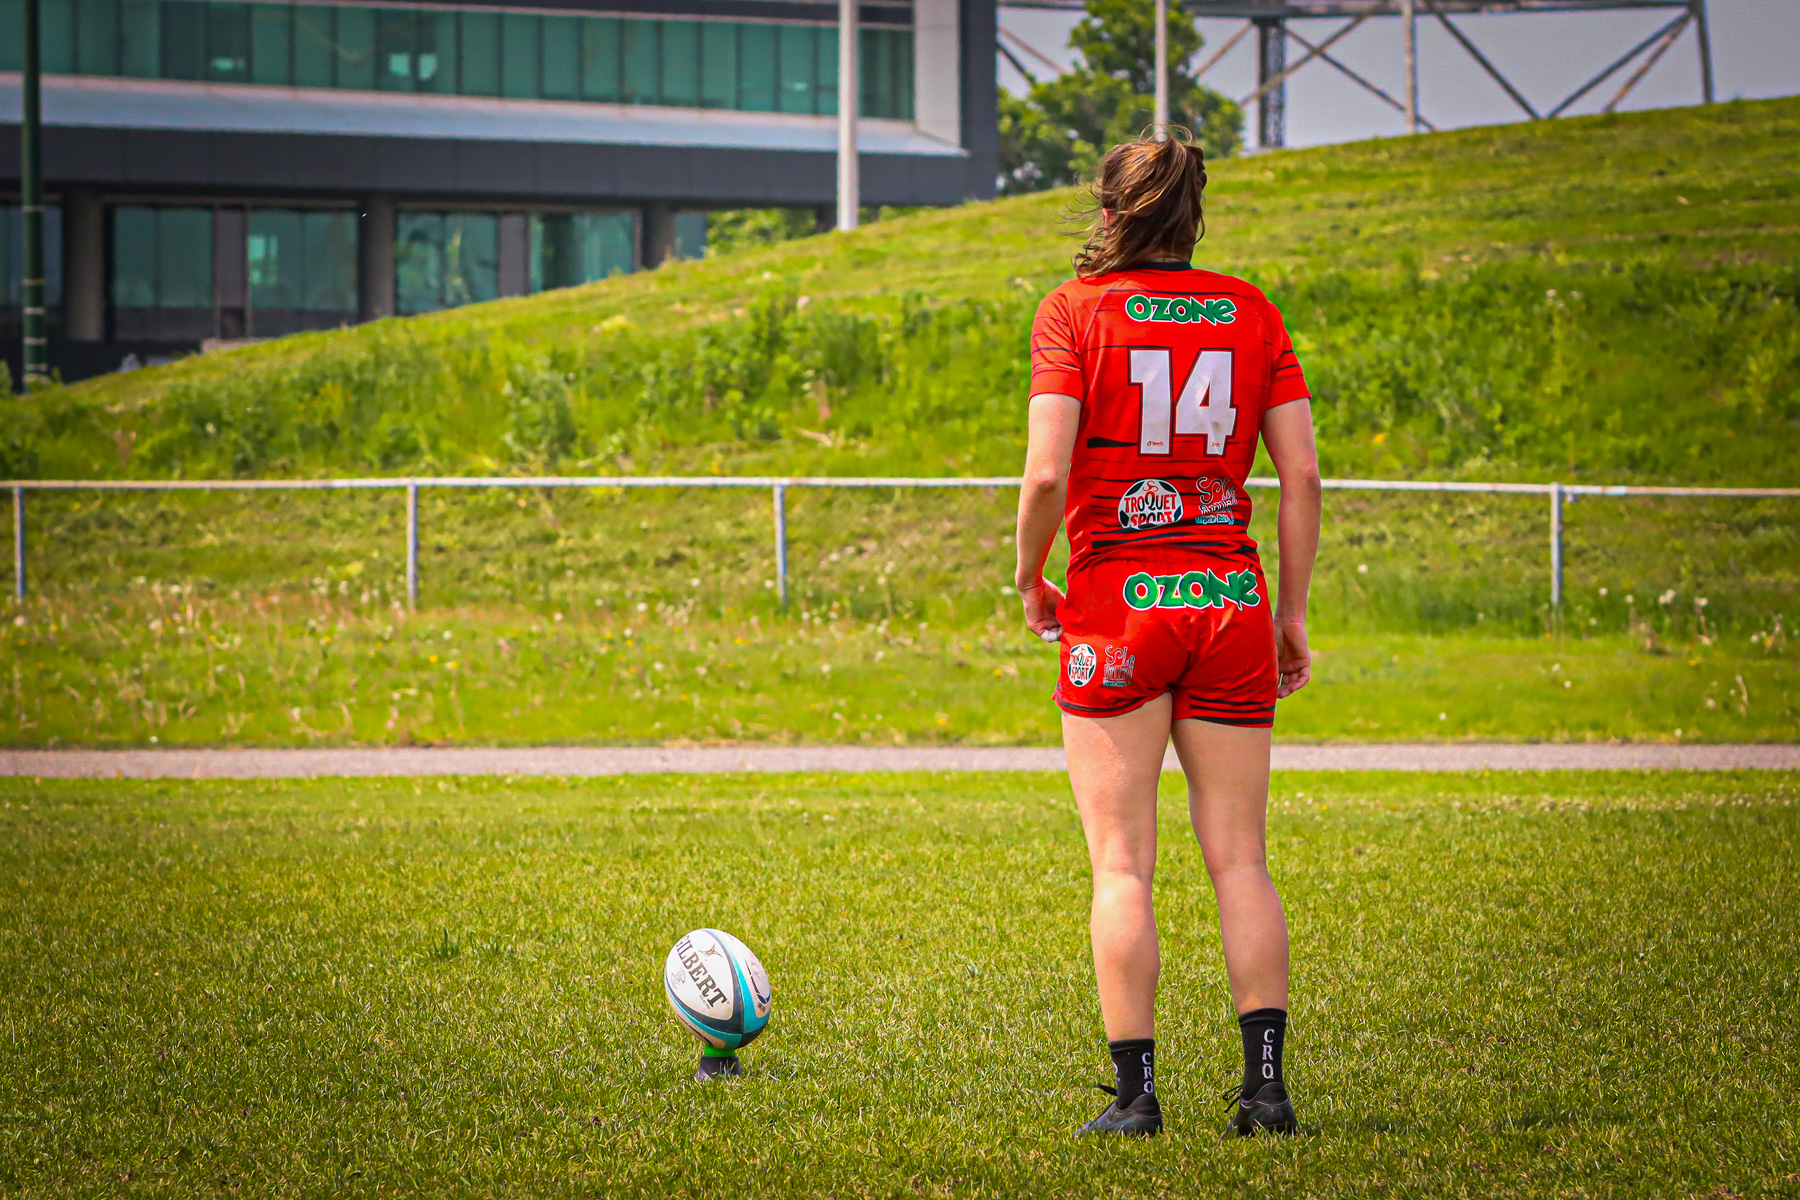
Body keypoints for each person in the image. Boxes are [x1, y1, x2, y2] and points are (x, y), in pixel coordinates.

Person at [1012, 128, 1322, 1138]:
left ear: (1109, 212)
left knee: (1122, 865)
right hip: (1229, 598)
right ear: (1193, 216)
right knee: (1240, 857)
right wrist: (1289, 615)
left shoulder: (1072, 311)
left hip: (1119, 601)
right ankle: (1265, 1090)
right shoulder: (1252, 311)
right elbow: (1303, 480)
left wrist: (1027, 575)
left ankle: (1136, 1098)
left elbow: (1048, 475)